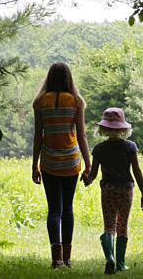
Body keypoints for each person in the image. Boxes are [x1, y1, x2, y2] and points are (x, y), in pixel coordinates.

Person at [31, 62, 91, 268]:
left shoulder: (40, 102)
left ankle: (56, 260)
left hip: (49, 162)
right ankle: (67, 258)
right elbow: (81, 135)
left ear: (49, 77)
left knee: (54, 210)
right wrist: (89, 164)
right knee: (68, 210)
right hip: (71, 162)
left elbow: (38, 136)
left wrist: (34, 165)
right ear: (68, 78)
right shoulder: (76, 101)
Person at [81, 107, 143, 275]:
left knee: (109, 225)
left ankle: (109, 257)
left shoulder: (99, 148)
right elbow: (137, 171)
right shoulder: (130, 147)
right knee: (122, 224)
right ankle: (120, 263)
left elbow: (94, 174)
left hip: (108, 189)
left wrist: (87, 180)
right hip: (126, 189)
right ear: (123, 128)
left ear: (103, 128)